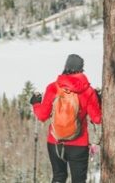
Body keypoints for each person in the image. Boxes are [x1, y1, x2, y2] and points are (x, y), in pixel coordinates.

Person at [30, 53, 102, 183]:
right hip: (79, 145)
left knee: (59, 177)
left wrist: (35, 103)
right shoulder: (88, 91)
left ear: (65, 67)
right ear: (81, 69)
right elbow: (97, 118)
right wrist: (98, 101)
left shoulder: (53, 87)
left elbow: (42, 115)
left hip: (55, 143)